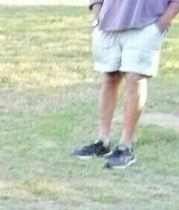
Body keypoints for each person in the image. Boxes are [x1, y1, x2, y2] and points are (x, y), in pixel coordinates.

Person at [73, 0, 179, 169]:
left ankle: (125, 146)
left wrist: (162, 23)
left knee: (135, 79)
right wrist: (97, 18)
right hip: (107, 24)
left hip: (147, 24)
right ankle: (102, 142)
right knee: (109, 78)